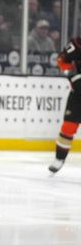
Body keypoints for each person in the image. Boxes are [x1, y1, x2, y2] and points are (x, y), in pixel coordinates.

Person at [49, 37, 81, 174]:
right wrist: (73, 77)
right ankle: (59, 158)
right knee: (69, 126)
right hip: (78, 94)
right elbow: (62, 59)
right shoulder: (77, 44)